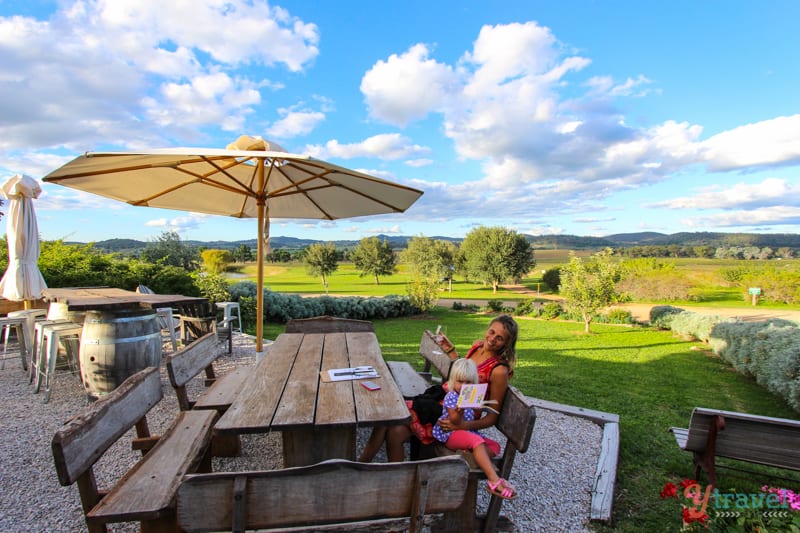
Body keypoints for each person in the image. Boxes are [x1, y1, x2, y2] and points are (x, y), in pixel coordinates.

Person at [358, 314, 518, 463]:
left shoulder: (499, 370)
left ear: (507, 344)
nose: (492, 339)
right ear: (487, 329)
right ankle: (386, 475)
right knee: (394, 429)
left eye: (500, 338)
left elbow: (492, 417)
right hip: (441, 400)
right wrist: (451, 351)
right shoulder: (478, 347)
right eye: (491, 332)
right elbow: (462, 372)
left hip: (455, 415)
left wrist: (461, 426)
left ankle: (361, 465)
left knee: (392, 416)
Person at [433, 357, 517, 499]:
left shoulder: (469, 395)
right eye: (460, 381)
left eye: (468, 382)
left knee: (495, 446)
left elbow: (473, 415)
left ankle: (471, 456)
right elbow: (455, 422)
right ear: (453, 380)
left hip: (466, 433)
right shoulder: (451, 396)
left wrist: (478, 405)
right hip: (451, 434)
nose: (464, 386)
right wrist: (459, 413)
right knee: (477, 442)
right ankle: (494, 480)